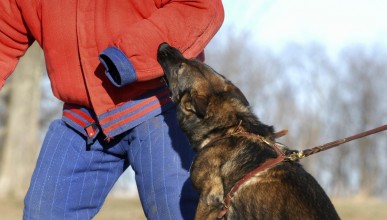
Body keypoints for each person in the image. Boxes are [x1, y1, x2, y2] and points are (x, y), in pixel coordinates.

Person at [0, 1, 224, 219]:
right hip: (82, 118)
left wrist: (131, 54)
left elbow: (200, 7)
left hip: (159, 103)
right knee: (43, 212)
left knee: (178, 210)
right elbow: (4, 35)